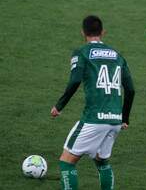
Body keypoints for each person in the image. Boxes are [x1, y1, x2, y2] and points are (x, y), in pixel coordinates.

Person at [50, 15, 135, 189]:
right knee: (101, 161)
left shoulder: (81, 52)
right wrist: (124, 118)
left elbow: (75, 81)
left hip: (94, 119)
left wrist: (59, 106)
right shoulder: (117, 55)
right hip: (115, 119)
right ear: (103, 32)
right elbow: (131, 89)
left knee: (67, 162)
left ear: (83, 32)